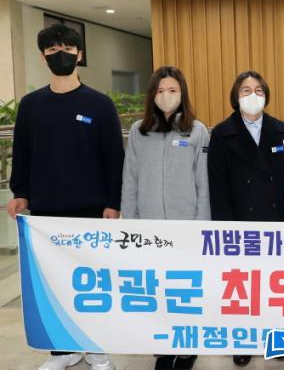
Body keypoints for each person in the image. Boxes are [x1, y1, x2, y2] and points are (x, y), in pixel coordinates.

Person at [8, 23, 123, 370]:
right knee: (54, 284)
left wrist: (113, 202)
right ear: (43, 57)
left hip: (92, 210)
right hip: (46, 212)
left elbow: (114, 157)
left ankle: (97, 349)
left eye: (68, 50)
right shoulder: (31, 105)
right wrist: (20, 193)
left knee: (94, 282)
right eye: (53, 50)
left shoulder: (99, 104)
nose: (62, 55)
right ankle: (63, 351)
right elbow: (22, 152)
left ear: (80, 55)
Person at [121, 66, 209, 370]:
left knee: (183, 288)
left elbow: (203, 183)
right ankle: (163, 347)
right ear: (152, 95)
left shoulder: (196, 130)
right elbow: (130, 180)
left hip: (186, 228)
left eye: (172, 90)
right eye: (160, 91)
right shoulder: (138, 131)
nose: (166, 96)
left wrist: (201, 228)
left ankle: (186, 347)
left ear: (182, 93)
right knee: (156, 289)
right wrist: (130, 227)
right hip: (149, 229)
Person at [208, 71, 284, 367]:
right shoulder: (222, 133)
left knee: (278, 286)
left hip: (278, 221)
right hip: (240, 222)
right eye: (245, 90)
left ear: (266, 95)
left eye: (258, 90)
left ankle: (279, 340)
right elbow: (217, 187)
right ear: (236, 96)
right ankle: (242, 341)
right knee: (243, 287)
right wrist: (226, 230)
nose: (252, 95)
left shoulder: (281, 129)